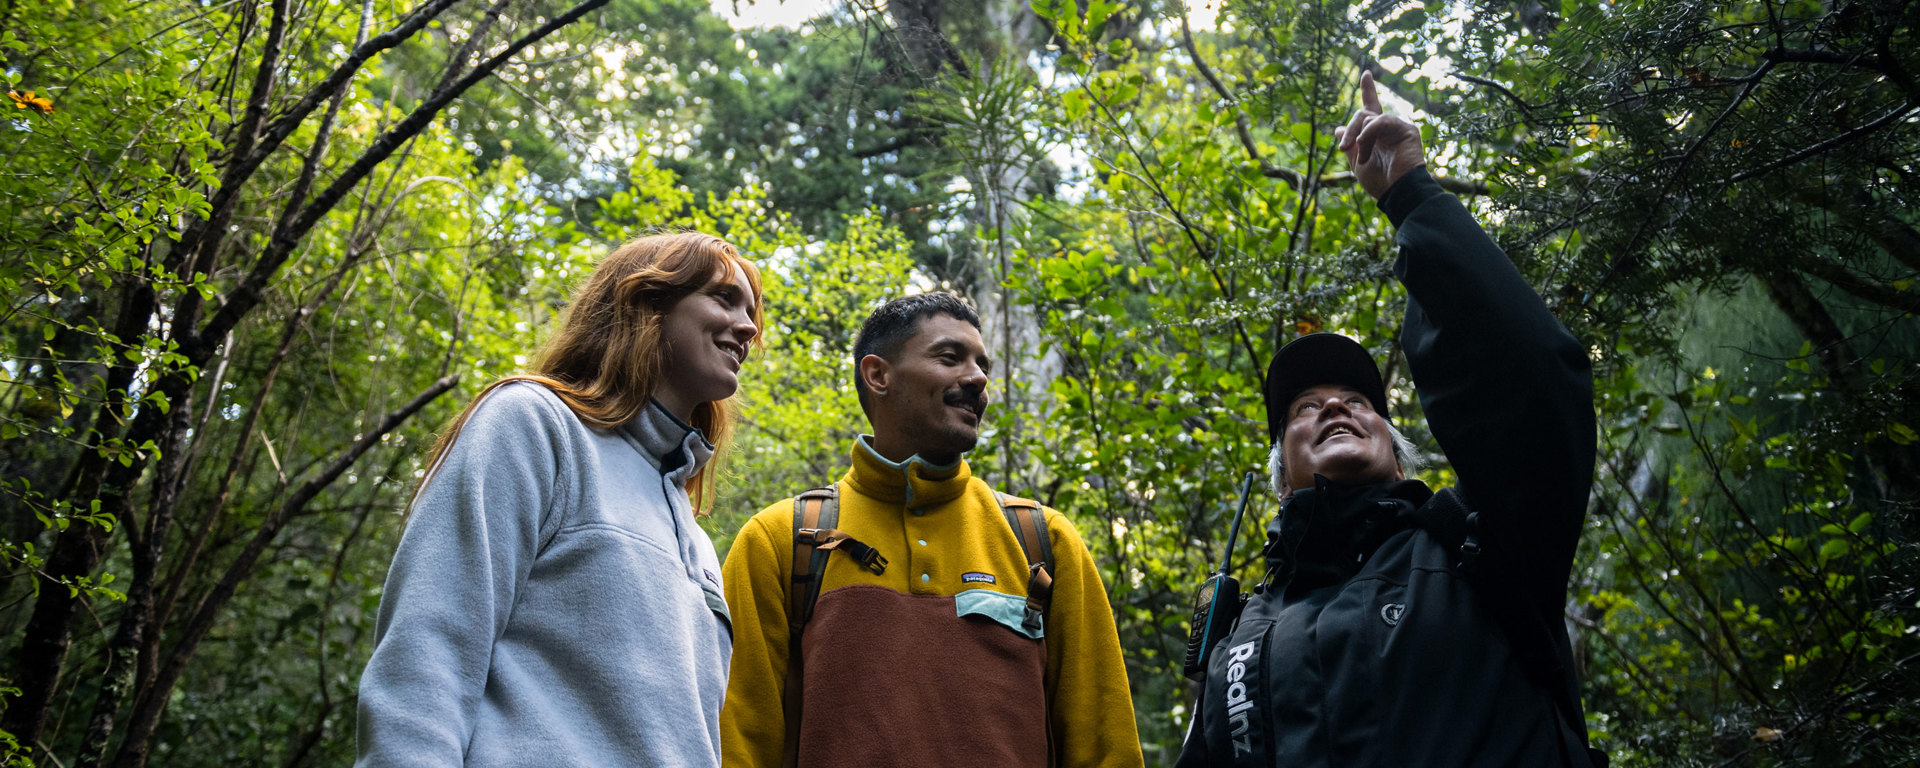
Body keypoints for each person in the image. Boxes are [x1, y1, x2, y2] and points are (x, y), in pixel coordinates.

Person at [1174, 72, 1604, 767]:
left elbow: (1531, 384)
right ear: (1283, 472)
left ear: (1397, 455)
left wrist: (1410, 195)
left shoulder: (1480, 546)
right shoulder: (1240, 640)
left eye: (1357, 402)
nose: (1335, 406)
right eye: (1305, 408)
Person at [354, 232, 763, 767]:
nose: (748, 326)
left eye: (751, 310)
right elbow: (428, 649)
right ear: (647, 304)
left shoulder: (697, 542)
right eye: (723, 297)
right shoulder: (534, 425)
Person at [719, 292, 1146, 768]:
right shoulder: (782, 541)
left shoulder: (1044, 541)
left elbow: (1105, 744)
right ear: (878, 375)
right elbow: (739, 739)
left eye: (982, 364)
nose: (978, 378)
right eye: (950, 357)